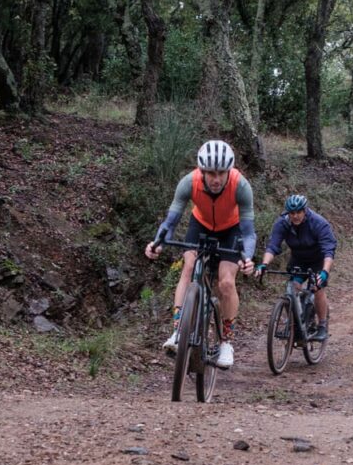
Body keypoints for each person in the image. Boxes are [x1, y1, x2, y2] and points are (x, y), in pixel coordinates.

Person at [144, 140, 256, 369]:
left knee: (226, 282)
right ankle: (178, 331)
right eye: (210, 173)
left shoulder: (241, 186)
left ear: (229, 171)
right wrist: (158, 242)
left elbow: (248, 232)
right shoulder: (189, 182)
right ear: (201, 171)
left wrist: (248, 257)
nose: (216, 179)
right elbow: (171, 221)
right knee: (188, 268)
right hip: (200, 224)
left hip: (231, 230)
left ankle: (226, 342)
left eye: (221, 173)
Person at [254, 194, 336, 341]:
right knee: (292, 287)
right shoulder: (283, 223)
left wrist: (324, 272)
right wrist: (264, 264)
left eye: (299, 212)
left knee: (317, 287)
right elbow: (273, 246)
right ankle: (294, 322)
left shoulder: (318, 223)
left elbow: (328, 250)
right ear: (288, 213)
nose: (295, 216)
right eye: (292, 213)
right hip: (298, 259)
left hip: (318, 260)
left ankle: (322, 325)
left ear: (305, 210)